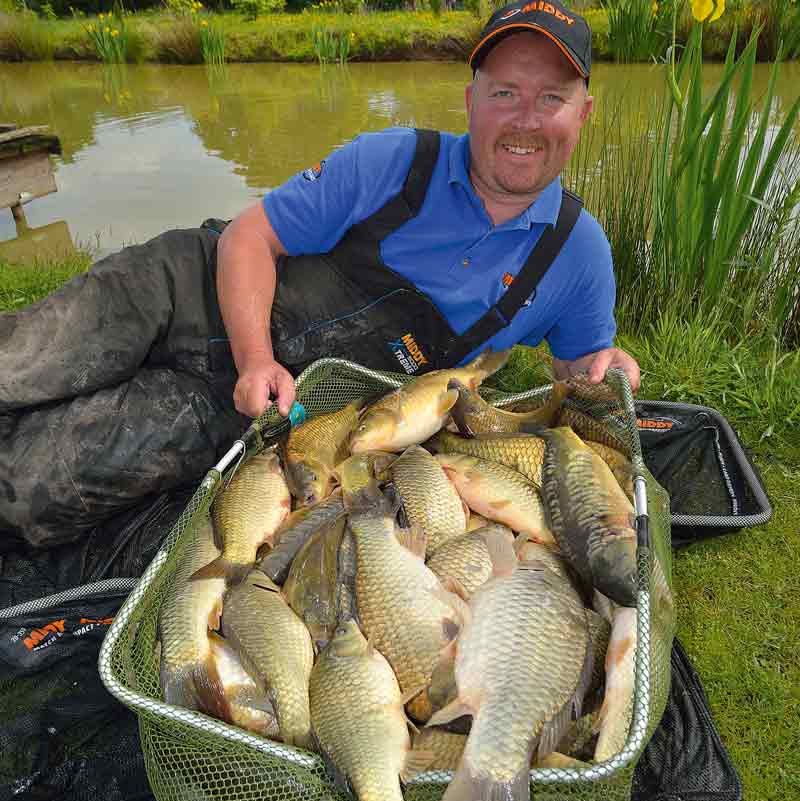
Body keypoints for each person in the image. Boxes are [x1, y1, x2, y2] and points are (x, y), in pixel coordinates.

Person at [0, 0, 638, 550]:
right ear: (472, 102)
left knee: (32, 489)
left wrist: (602, 371)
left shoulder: (577, 254)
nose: (525, 120)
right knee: (19, 364)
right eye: (505, 94)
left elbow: (576, 372)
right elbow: (253, 235)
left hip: (267, 410)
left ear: (582, 114)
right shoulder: (393, 160)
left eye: (551, 98)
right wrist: (255, 358)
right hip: (184, 290)